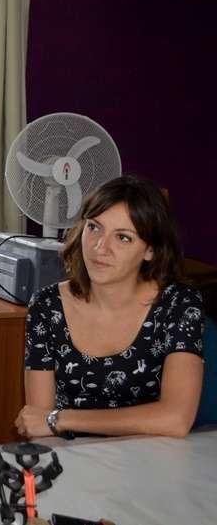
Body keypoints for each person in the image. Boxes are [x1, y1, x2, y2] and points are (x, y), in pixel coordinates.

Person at [15, 175, 204, 440]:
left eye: (123, 237)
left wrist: (61, 418)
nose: (100, 247)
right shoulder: (46, 306)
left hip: (149, 456)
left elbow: (176, 419)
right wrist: (52, 422)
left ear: (150, 250)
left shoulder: (178, 305)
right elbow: (39, 427)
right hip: (69, 456)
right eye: (94, 227)